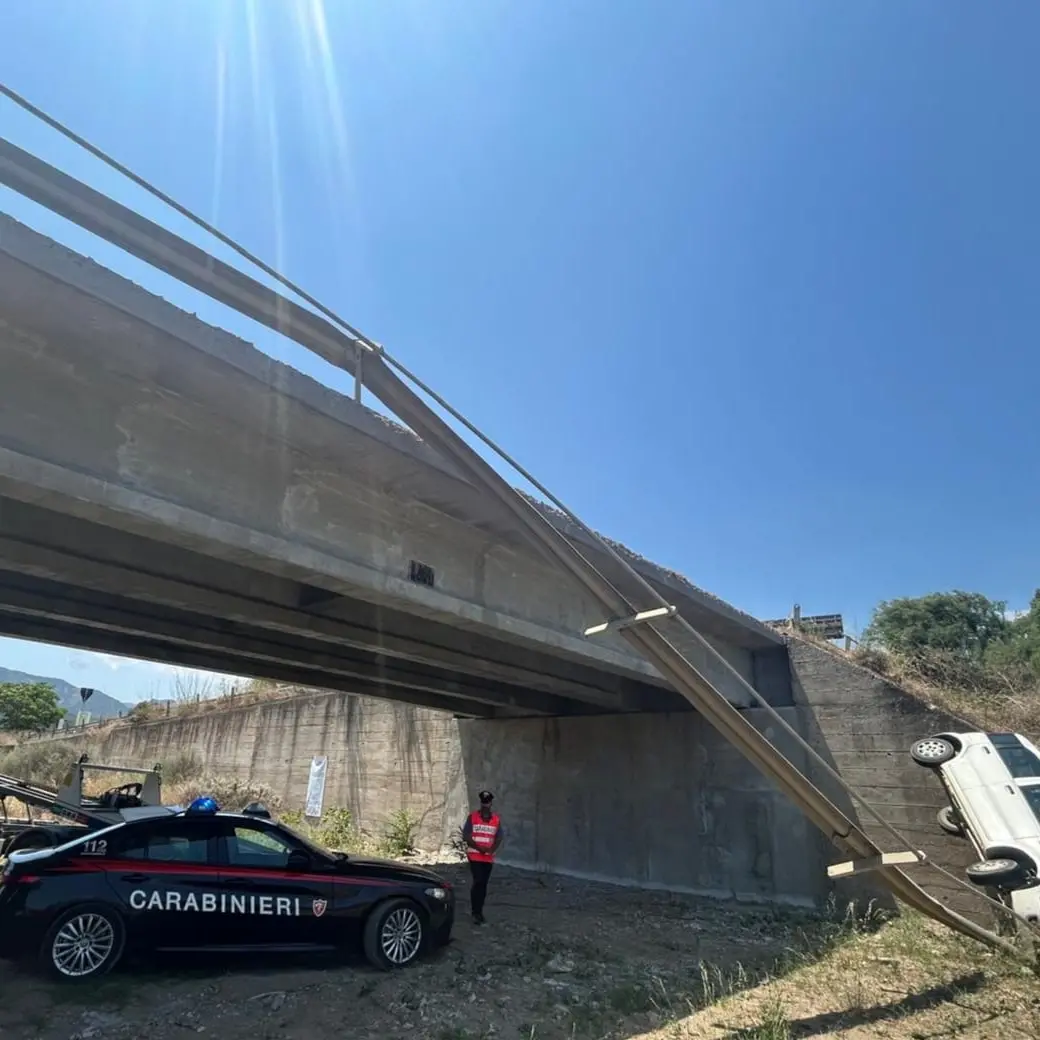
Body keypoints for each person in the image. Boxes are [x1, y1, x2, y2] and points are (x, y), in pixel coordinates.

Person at [461, 789, 502, 924]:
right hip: (475, 855)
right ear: (481, 803)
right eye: (483, 803)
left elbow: (499, 837)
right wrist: (480, 848)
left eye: (487, 803)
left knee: (483, 884)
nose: (485, 805)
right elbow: (466, 835)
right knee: (478, 881)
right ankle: (475, 911)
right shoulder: (472, 817)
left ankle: (479, 911)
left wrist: (491, 849)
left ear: (490, 804)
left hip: (488, 857)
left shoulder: (496, 819)